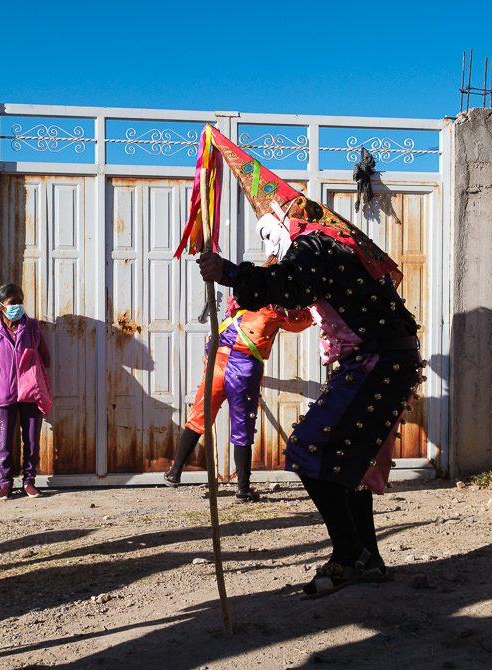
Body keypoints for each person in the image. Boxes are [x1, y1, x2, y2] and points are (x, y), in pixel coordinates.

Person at [194, 127, 423, 597]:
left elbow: (291, 286)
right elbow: (297, 295)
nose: (271, 246)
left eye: (269, 233)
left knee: (308, 449)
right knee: (350, 460)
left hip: (377, 359)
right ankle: (369, 557)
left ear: (283, 220)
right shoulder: (330, 241)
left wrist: (231, 273)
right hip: (388, 358)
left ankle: (348, 556)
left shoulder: (311, 244)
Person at [164, 254, 313, 501]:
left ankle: (174, 472)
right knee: (242, 426)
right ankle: (243, 489)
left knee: (199, 416)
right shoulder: (277, 309)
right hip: (243, 368)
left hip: (217, 360)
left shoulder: (240, 298)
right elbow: (304, 321)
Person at [0, 283, 52, 499]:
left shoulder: (33, 327)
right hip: (2, 396)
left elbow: (46, 358)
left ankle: (29, 481)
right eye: (12, 302)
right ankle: (6, 483)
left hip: (30, 394)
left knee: (32, 442)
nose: (18, 306)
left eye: (20, 301)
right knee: (3, 443)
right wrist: (0, 378)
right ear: (0, 305)